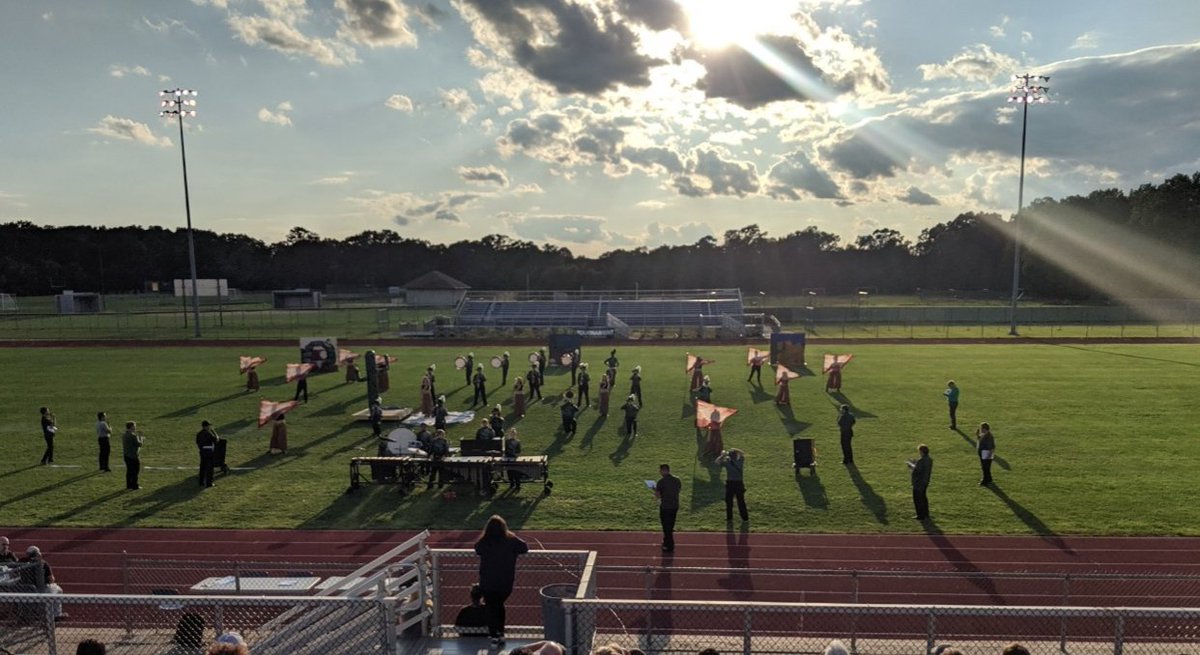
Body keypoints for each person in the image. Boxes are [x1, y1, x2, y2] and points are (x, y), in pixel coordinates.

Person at [473, 514, 529, 648]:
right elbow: (524, 547)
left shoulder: (485, 542)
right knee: (499, 606)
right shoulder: (510, 540)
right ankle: (501, 633)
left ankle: (494, 636)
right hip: (505, 582)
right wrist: (512, 536)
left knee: (491, 608)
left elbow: (477, 548)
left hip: (488, 582)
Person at [20, 546, 65, 619]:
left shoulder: (22, 562)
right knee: (58, 590)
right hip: (42, 589)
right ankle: (56, 614)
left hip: (25, 589)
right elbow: (52, 579)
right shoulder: (43, 563)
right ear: (38, 554)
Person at [654, 464, 682, 552]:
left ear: (663, 471)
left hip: (665, 507)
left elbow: (658, 496)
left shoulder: (661, 482)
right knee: (671, 525)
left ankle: (669, 545)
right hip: (675, 505)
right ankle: (666, 542)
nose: (660, 472)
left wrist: (655, 490)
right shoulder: (677, 480)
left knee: (666, 526)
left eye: (660, 471)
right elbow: (678, 490)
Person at [717, 449, 748, 522]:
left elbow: (717, 462)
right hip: (739, 483)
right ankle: (745, 518)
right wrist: (734, 449)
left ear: (729, 456)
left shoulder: (727, 463)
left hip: (730, 484)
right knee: (741, 501)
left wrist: (722, 455)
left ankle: (729, 518)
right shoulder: (740, 461)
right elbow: (742, 453)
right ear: (736, 455)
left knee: (729, 501)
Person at [907, 444, 933, 521]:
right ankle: (926, 513)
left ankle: (920, 515)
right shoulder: (929, 459)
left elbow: (917, 470)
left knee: (917, 499)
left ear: (922, 451)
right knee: (923, 498)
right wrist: (915, 462)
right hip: (925, 482)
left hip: (918, 482)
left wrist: (911, 465)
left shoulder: (921, 461)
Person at [196, 420, 218, 488]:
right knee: (210, 469)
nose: (209, 427)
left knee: (202, 467)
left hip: (202, 452)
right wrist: (214, 432)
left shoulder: (199, 434)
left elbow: (197, 442)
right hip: (209, 453)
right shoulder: (208, 433)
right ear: (206, 426)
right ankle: (209, 483)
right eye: (209, 426)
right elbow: (216, 440)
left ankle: (201, 482)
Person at [122, 421, 143, 490]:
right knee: (135, 471)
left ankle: (129, 485)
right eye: (134, 426)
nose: (135, 428)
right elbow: (140, 444)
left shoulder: (124, 435)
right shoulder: (133, 436)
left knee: (129, 471)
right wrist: (141, 437)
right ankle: (135, 486)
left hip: (126, 455)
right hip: (133, 456)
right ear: (131, 427)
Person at [976, 422, 996, 486]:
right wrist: (978, 436)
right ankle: (989, 479)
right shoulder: (985, 434)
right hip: (984, 453)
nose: (980, 429)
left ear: (984, 429)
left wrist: (988, 456)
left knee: (985, 468)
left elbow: (990, 447)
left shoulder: (989, 436)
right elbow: (980, 441)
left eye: (981, 428)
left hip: (986, 454)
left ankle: (984, 481)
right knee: (986, 468)